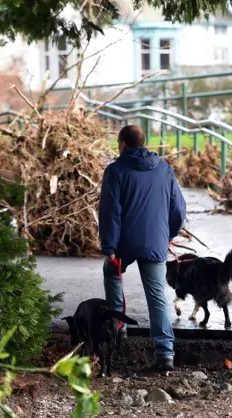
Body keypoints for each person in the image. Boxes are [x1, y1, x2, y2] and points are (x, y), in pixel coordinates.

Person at [99, 125, 186, 372]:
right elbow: (178, 209)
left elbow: (110, 212)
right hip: (154, 242)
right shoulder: (164, 168)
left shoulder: (115, 171)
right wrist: (167, 235)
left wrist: (109, 247)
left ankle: (119, 327)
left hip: (124, 243)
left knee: (111, 274)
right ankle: (165, 354)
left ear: (123, 144)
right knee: (157, 295)